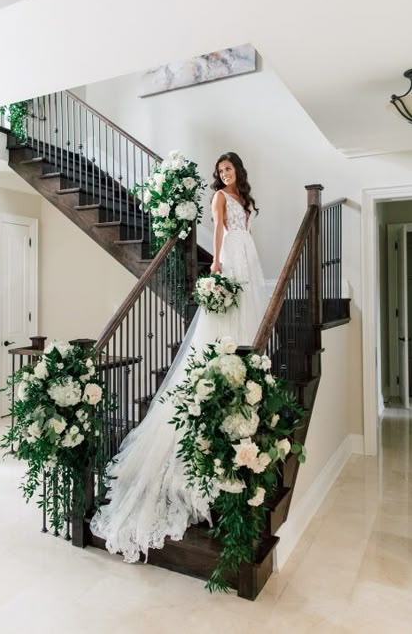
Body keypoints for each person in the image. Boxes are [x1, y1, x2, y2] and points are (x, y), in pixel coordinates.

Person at [90, 152, 269, 562]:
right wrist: (218, 268)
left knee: (247, 317)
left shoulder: (244, 196)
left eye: (229, 169)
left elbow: (243, 232)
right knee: (221, 323)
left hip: (249, 257)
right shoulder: (221, 198)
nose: (225, 174)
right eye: (220, 170)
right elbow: (219, 233)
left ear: (239, 170)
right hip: (231, 260)